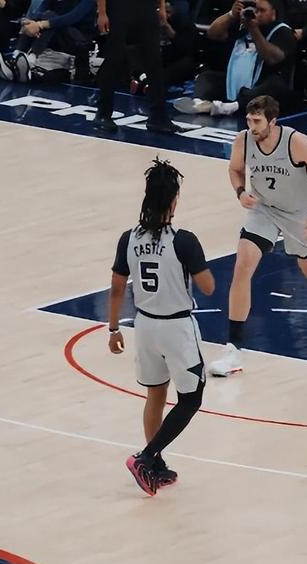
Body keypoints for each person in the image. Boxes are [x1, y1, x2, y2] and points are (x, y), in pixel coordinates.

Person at [207, 95, 307, 377]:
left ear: (273, 121)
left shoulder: (296, 142)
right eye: (248, 120)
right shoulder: (243, 140)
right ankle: (233, 349)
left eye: (257, 121)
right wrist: (240, 192)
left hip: (298, 212)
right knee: (242, 265)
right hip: (263, 209)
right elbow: (235, 170)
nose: (251, 126)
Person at [108, 158, 215, 496]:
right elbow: (208, 286)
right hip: (176, 328)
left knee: (155, 393)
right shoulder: (184, 240)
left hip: (144, 326)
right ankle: (145, 457)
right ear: (173, 200)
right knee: (191, 399)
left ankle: (154, 466)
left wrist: (113, 329)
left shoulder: (128, 238)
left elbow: (116, 288)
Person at [173, 0, 296, 117]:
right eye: (255, 10)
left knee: (276, 85)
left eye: (262, 11)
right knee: (207, 76)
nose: (256, 14)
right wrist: (231, 15)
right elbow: (212, 34)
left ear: (274, 13)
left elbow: (271, 58)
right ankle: (200, 103)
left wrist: (254, 30)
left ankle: (231, 107)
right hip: (234, 84)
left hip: (260, 88)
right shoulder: (243, 25)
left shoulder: (282, 31)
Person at [93, 0, 181, 133]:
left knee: (154, 60)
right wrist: (102, 12)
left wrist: (161, 6)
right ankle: (103, 113)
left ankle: (158, 118)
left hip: (147, 7)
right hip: (119, 6)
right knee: (115, 59)